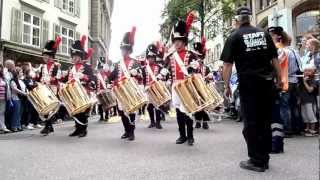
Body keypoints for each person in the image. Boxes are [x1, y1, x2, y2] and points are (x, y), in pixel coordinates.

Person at [221, 7, 282, 172]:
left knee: (251, 123)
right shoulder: (263, 33)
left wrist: (226, 86)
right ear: (249, 18)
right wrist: (280, 79)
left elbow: (227, 65)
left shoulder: (234, 36)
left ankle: (256, 160)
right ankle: (264, 158)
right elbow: (274, 58)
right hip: (267, 83)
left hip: (249, 85)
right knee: (264, 121)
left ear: (237, 20)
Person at [164, 12, 198, 146]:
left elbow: (196, 67)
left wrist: (192, 68)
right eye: (175, 41)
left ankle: (190, 136)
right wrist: (163, 75)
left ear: (183, 41)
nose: (176, 44)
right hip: (175, 86)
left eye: (179, 41)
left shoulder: (190, 54)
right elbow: (166, 70)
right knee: (178, 111)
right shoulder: (171, 57)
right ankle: (182, 135)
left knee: (188, 111)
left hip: (187, 84)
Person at [108, 27, 140, 141]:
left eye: (125, 49)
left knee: (131, 110)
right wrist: (109, 82)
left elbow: (140, 75)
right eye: (122, 49)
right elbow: (111, 76)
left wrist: (136, 73)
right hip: (120, 91)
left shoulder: (135, 62)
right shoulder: (117, 64)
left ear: (129, 50)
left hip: (130, 90)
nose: (123, 51)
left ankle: (132, 131)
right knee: (121, 111)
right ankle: (126, 130)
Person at [64, 35, 96, 138]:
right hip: (72, 93)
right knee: (76, 112)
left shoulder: (87, 67)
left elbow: (93, 78)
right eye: (73, 56)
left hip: (83, 92)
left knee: (83, 113)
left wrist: (84, 76)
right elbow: (67, 81)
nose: (74, 58)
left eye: (76, 56)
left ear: (80, 56)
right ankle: (77, 129)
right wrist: (61, 78)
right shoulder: (70, 68)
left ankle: (83, 130)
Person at [192, 38, 211, 129]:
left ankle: (205, 122)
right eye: (196, 56)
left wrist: (209, 77)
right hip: (195, 88)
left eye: (199, 57)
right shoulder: (192, 67)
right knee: (197, 105)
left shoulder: (206, 68)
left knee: (205, 105)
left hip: (204, 88)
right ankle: (198, 121)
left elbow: (210, 77)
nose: (198, 59)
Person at [144, 43, 165, 129]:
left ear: (155, 57)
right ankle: (152, 121)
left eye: (152, 57)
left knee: (158, 106)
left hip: (157, 88)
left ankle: (158, 122)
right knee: (149, 107)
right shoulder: (144, 68)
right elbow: (142, 78)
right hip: (148, 89)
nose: (150, 59)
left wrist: (162, 76)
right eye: (149, 57)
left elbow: (164, 76)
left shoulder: (159, 67)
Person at [299, 66, 318, 136]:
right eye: (305, 71)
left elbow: (310, 90)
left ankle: (312, 130)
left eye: (309, 71)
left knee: (311, 116)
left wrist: (304, 82)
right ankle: (307, 129)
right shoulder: (303, 80)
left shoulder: (313, 80)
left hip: (310, 101)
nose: (306, 72)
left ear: (313, 72)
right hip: (303, 101)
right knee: (305, 116)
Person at [9, 67, 28, 132]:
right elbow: (15, 89)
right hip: (15, 98)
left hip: (21, 98)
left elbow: (25, 88)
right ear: (17, 73)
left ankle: (18, 125)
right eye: (21, 72)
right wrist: (24, 94)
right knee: (16, 113)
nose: (22, 73)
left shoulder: (21, 80)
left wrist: (27, 92)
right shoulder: (13, 80)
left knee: (20, 113)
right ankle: (14, 126)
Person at [0, 65, 10, 133]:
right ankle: (3, 127)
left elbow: (7, 84)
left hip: (3, 97)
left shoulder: (3, 77)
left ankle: (2, 127)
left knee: (2, 112)